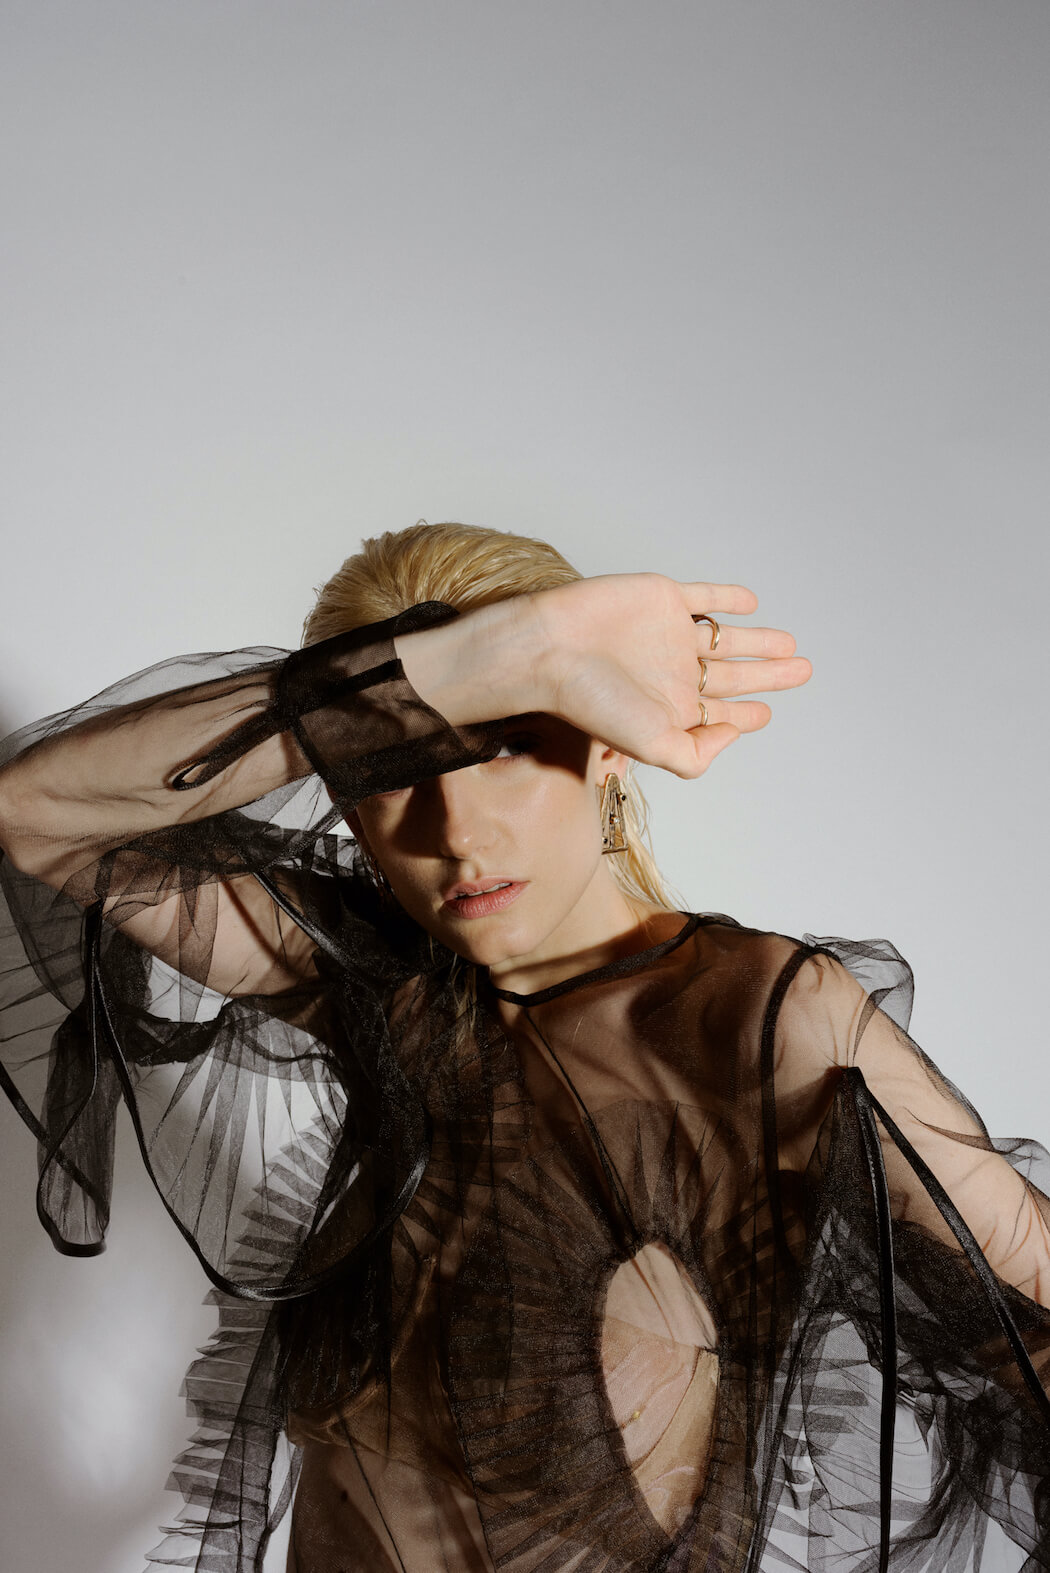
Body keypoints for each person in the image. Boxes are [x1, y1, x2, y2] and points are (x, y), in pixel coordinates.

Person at [0, 519, 1048, 1573]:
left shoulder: (755, 1020)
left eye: (503, 748)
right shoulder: (375, 985)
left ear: (605, 741)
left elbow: (1038, 1309)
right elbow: (35, 814)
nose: (457, 833)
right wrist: (507, 652)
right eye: (388, 769)